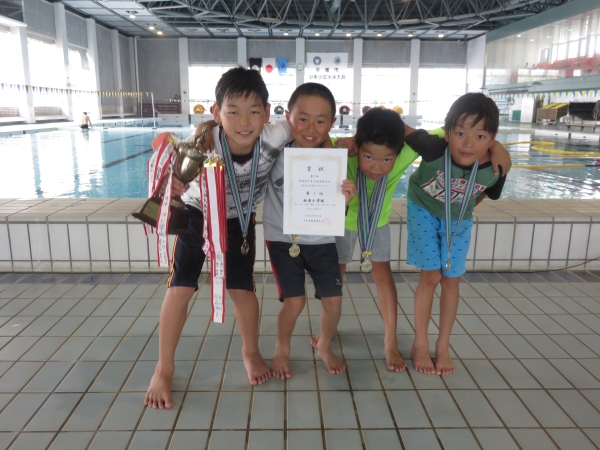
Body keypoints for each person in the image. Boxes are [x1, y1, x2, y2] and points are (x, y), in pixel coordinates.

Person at [145, 67, 293, 409]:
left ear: (267, 113)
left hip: (238, 221)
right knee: (180, 286)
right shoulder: (202, 141)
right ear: (216, 113)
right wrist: (175, 182)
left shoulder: (275, 135)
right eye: (233, 112)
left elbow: (307, 125)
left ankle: (250, 351)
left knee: (242, 289)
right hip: (198, 215)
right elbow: (163, 148)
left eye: (254, 111)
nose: (245, 121)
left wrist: (343, 143)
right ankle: (164, 368)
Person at [327, 108, 512, 373]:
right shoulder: (343, 152)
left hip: (376, 222)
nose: (377, 167)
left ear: (397, 152)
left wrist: (497, 146)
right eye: (368, 157)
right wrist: (346, 143)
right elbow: (314, 149)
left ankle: (390, 341)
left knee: (383, 276)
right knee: (335, 277)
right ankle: (328, 329)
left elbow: (453, 132)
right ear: (359, 145)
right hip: (341, 221)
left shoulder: (405, 152)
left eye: (387, 159)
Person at [405, 93, 506, 376]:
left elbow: (486, 193)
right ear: (448, 132)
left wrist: (463, 205)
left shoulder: (497, 168)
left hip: (459, 218)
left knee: (451, 279)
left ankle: (443, 345)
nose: (468, 143)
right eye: (460, 133)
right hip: (422, 208)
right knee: (431, 276)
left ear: (493, 138)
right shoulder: (434, 148)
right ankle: (420, 343)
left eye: (480, 136)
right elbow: (398, 128)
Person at [264, 83, 357, 378]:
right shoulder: (274, 152)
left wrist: (345, 198)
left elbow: (334, 212)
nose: (311, 127)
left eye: (321, 120)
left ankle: (324, 345)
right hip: (282, 238)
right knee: (294, 301)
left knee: (333, 300)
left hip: (321, 240)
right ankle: (282, 348)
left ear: (332, 123)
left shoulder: (334, 161)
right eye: (303, 118)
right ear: (288, 116)